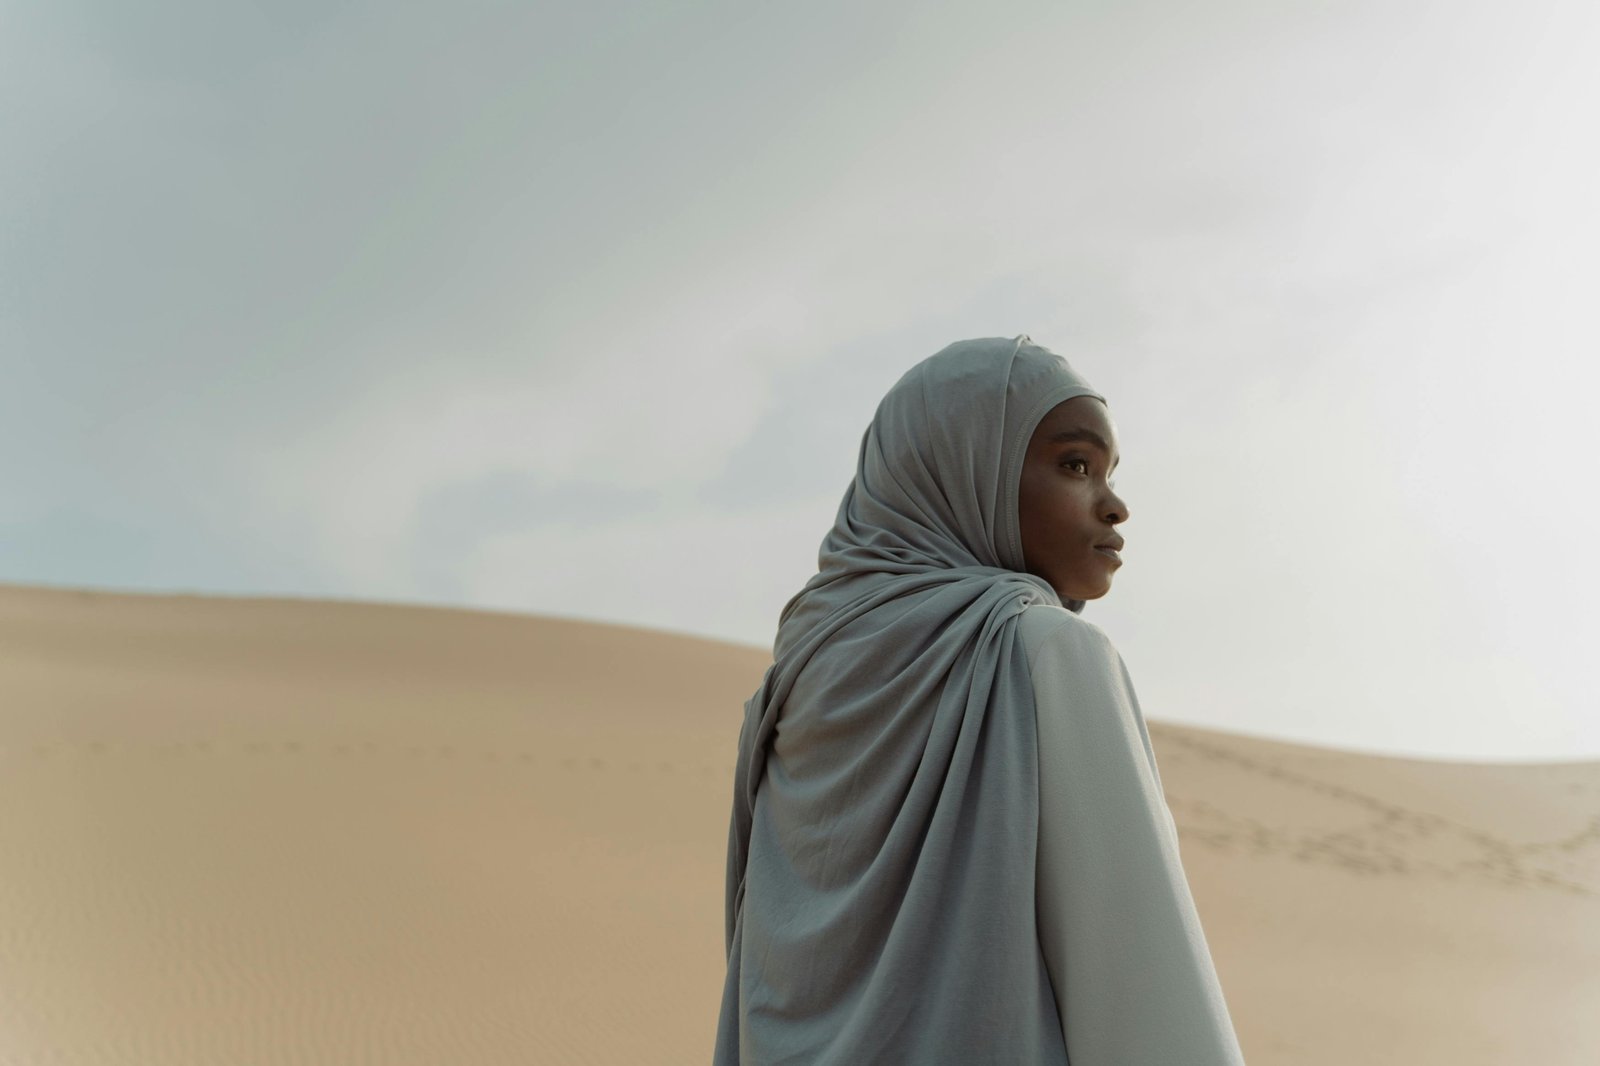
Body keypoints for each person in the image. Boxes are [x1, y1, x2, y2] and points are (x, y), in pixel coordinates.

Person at [713, 335, 1246, 1064]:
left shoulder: (791, 689)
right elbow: (1145, 990)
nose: (1114, 505)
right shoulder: (1041, 652)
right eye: (1075, 465)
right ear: (967, 472)